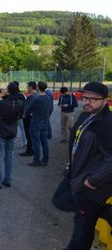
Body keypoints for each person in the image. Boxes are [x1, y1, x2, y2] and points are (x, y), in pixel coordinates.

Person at [52, 81, 112, 250]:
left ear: (105, 100)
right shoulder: (86, 115)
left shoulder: (107, 124)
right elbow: (78, 142)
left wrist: (92, 181)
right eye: (85, 97)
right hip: (77, 173)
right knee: (59, 200)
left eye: (93, 99)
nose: (87, 102)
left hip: (92, 185)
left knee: (81, 231)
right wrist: (71, 164)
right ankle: (104, 211)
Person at [0, 82, 24, 189]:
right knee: (9, 156)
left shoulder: (2, 103)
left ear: (9, 90)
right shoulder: (19, 103)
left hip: (0, 131)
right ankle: (8, 179)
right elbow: (20, 113)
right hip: (12, 131)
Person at [25, 81, 52, 167]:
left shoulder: (36, 99)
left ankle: (37, 160)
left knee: (36, 142)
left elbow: (28, 110)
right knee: (44, 142)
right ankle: (45, 159)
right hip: (45, 122)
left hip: (36, 122)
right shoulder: (48, 98)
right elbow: (50, 110)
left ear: (38, 87)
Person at [20, 81, 37, 157]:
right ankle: (30, 149)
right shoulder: (36, 95)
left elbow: (27, 108)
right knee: (31, 134)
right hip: (33, 117)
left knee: (29, 134)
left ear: (31, 87)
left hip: (28, 118)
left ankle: (29, 150)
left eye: (27, 86)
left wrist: (24, 114)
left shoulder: (32, 96)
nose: (27, 87)